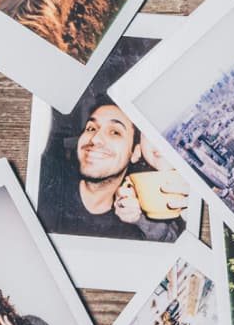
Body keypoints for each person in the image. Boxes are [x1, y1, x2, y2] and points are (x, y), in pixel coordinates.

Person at [37, 97, 188, 241]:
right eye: (91, 128)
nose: (95, 139)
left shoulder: (137, 222)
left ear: (135, 153)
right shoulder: (43, 182)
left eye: (115, 132)